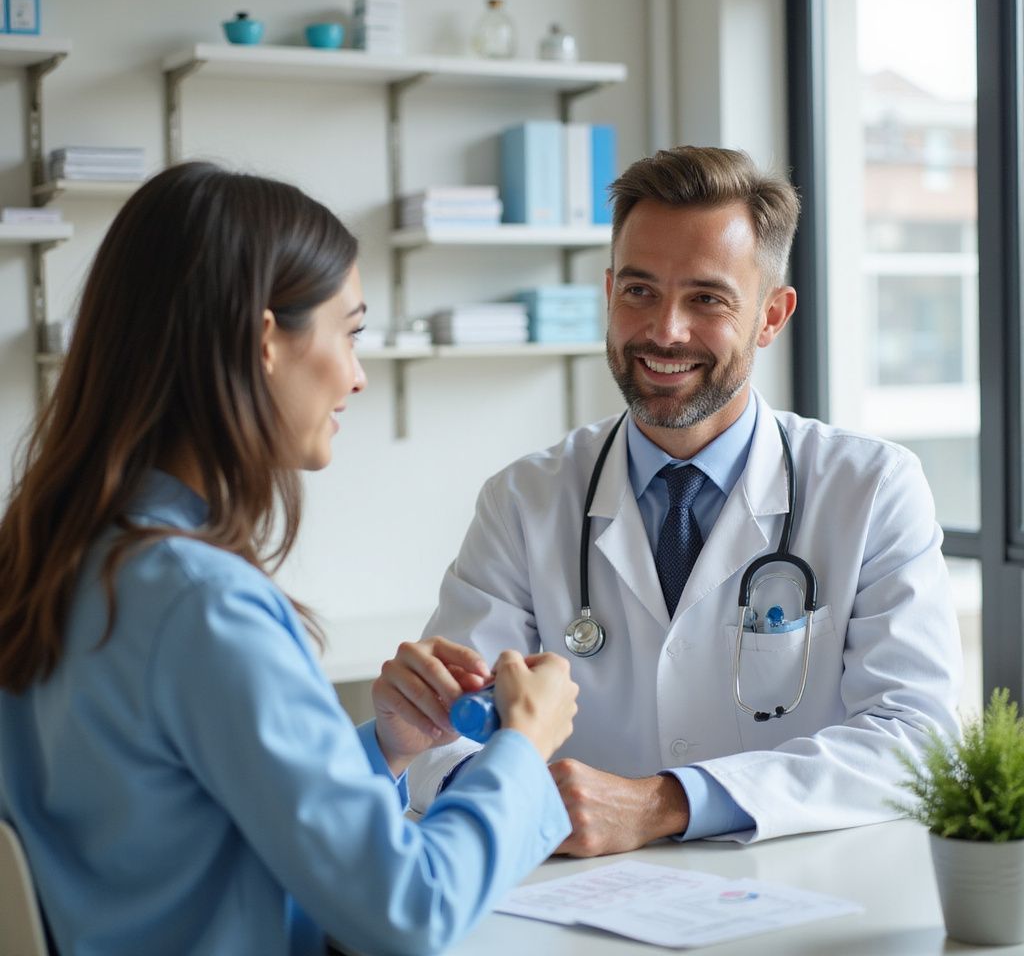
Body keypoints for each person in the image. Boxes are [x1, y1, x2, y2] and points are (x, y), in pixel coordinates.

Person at [0, 162, 578, 956]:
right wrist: (523, 745)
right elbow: (409, 912)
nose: (358, 375)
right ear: (262, 340)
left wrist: (383, 747)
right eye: (350, 332)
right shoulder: (200, 601)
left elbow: (174, 818)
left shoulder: (47, 558)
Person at [410, 145, 962, 856]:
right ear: (609, 292)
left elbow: (918, 737)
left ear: (771, 316)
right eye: (639, 291)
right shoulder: (525, 500)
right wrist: (520, 800)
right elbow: (440, 735)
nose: (665, 331)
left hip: (799, 893)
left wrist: (664, 803)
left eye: (706, 298)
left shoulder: (872, 488)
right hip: (576, 901)